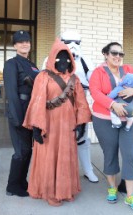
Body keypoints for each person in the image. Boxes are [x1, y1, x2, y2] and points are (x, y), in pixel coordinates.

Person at [22, 38, 91, 206]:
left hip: (68, 126)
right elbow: (37, 101)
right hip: (49, 125)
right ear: (53, 58)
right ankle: (50, 192)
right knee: (49, 157)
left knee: (66, 157)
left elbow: (81, 102)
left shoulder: (74, 79)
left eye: (67, 57)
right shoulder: (43, 76)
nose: (63, 61)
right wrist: (37, 127)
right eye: (59, 57)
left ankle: (65, 190)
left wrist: (82, 124)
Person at [89, 42, 133, 212]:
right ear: (105, 54)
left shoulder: (129, 69)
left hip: (130, 120)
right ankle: (112, 188)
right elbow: (95, 92)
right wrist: (113, 104)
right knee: (110, 153)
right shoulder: (98, 72)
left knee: (130, 155)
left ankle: (130, 195)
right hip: (105, 120)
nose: (118, 57)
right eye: (114, 53)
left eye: (121, 54)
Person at [41, 30, 99, 183]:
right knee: (54, 139)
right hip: (54, 106)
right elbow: (42, 84)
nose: (73, 46)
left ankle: (87, 170)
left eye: (77, 42)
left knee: (81, 139)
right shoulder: (50, 59)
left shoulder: (85, 60)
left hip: (78, 103)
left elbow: (94, 84)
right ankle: (54, 173)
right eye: (69, 42)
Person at [3, 30, 39, 197]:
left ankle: (22, 181)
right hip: (19, 112)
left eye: (27, 41)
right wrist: (17, 118)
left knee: (28, 150)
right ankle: (12, 186)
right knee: (21, 151)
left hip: (32, 111)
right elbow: (11, 92)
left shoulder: (33, 65)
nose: (25, 44)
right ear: (15, 45)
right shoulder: (12, 63)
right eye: (20, 42)